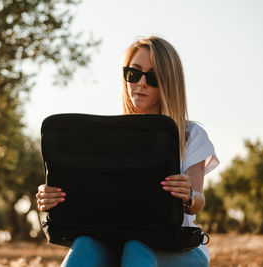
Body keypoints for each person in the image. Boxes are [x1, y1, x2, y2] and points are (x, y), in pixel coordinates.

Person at [36, 36, 219, 267]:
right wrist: (51, 195)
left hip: (173, 245)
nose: (141, 83)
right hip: (111, 240)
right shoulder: (107, 136)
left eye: (152, 77)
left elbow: (198, 201)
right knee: (82, 249)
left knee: (136, 250)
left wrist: (189, 194)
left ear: (168, 82)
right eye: (133, 74)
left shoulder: (191, 135)